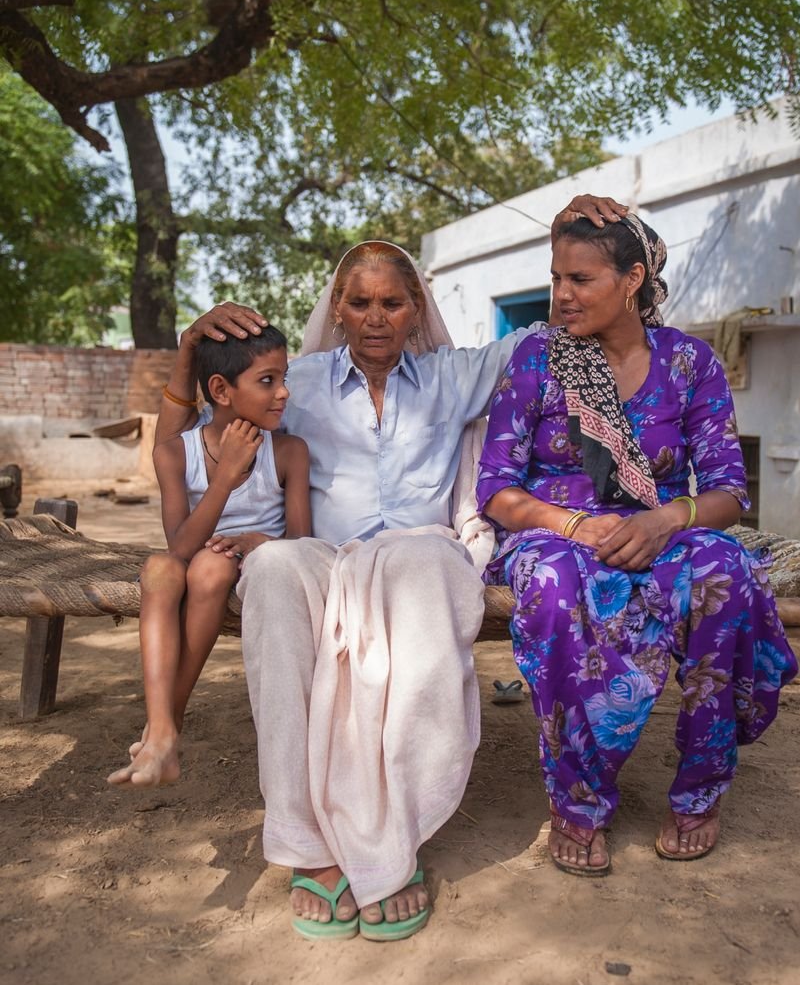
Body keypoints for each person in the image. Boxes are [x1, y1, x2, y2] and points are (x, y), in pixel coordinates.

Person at [153, 193, 627, 942]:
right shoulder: (291, 380)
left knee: (418, 565)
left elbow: (565, 317)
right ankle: (309, 838)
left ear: (416, 309)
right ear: (337, 308)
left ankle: (386, 842)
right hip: (323, 556)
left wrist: (601, 230)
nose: (376, 317)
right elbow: (186, 429)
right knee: (274, 570)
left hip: (417, 553)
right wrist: (188, 347)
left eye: (393, 302)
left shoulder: (453, 375)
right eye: (360, 302)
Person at [476, 214, 798, 876]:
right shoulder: (537, 359)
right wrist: (572, 525)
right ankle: (579, 799)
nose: (560, 294)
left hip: (659, 529)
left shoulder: (688, 363)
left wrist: (667, 519)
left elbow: (728, 492)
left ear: (631, 280)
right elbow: (496, 489)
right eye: (555, 277)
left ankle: (700, 785)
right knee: (554, 582)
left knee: (725, 567)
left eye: (580, 278)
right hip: (556, 532)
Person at [108, 326, 310, 788]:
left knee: (213, 564)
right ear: (220, 390)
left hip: (254, 567)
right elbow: (177, 546)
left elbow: (303, 543)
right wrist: (225, 480)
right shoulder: (174, 453)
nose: (283, 393)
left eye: (284, 377)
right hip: (191, 561)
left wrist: (260, 540)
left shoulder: (289, 452)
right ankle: (162, 730)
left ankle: (163, 730)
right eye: (267, 380)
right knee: (160, 567)